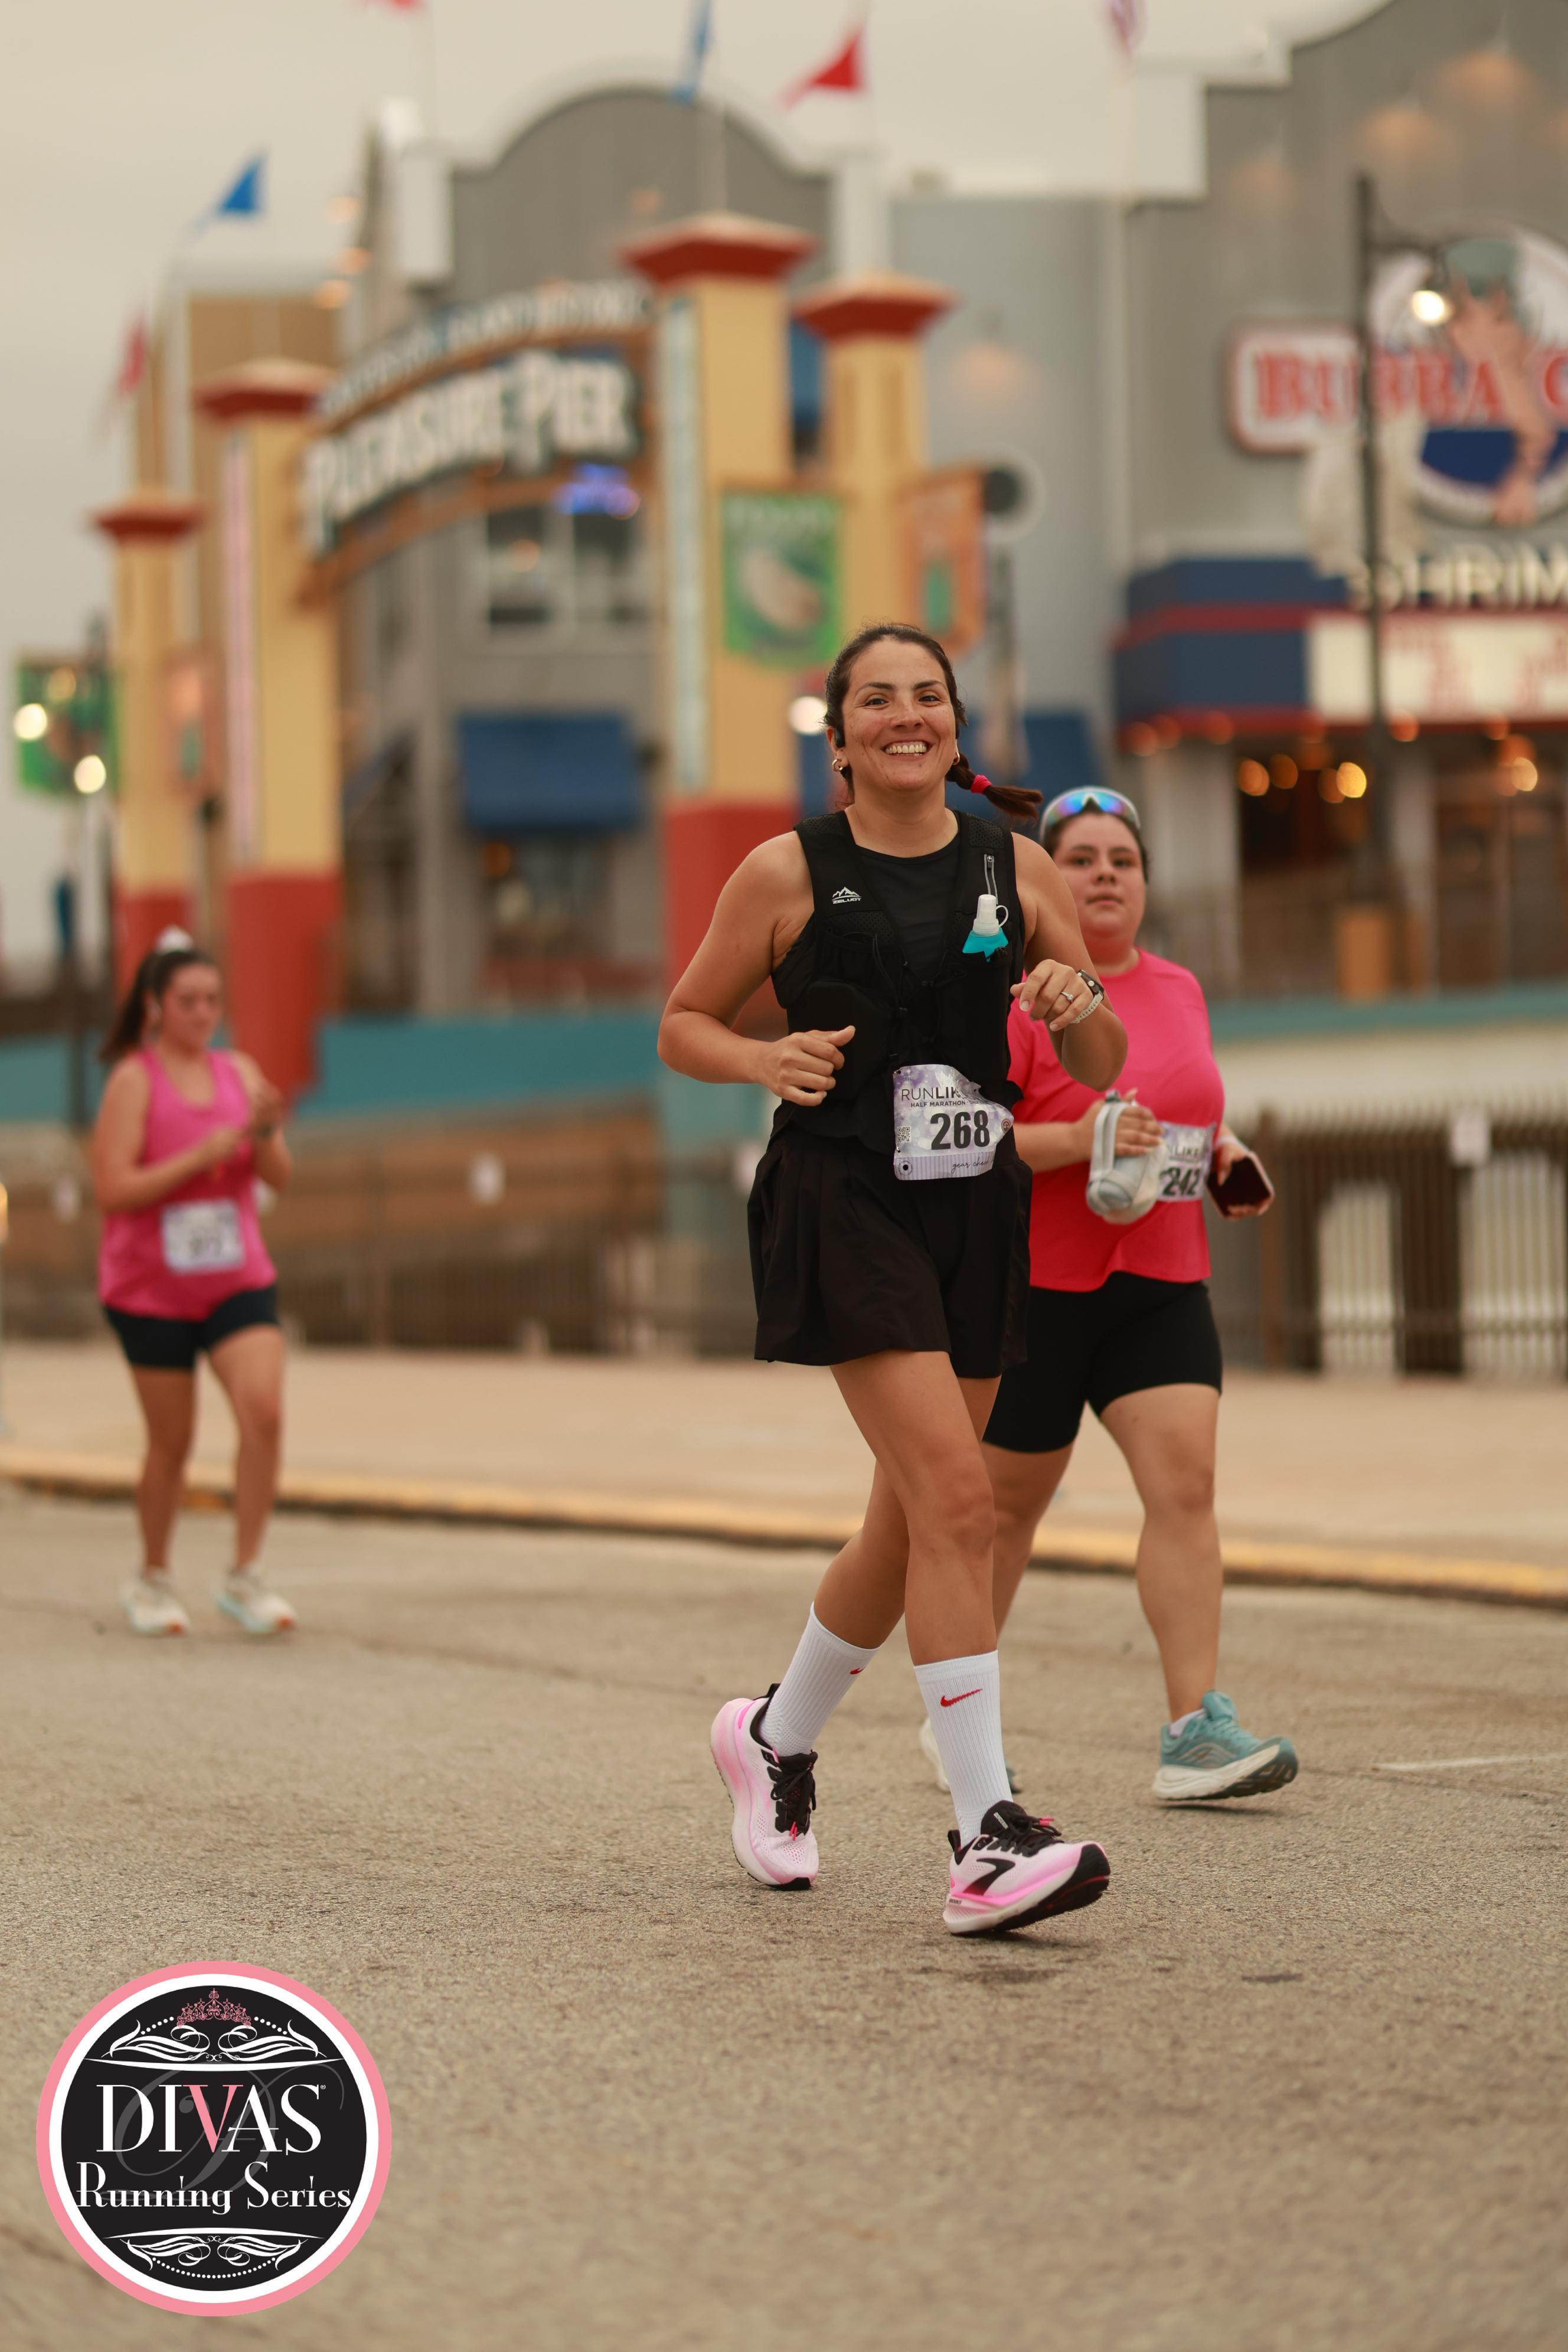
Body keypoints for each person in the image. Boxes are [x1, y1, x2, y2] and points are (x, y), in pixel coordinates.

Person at [658, 623, 1129, 1936]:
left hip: (973, 1200)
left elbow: (1100, 1058)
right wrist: (762, 1060)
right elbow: (683, 1024)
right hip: (845, 1195)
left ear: (955, 726)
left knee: (910, 1524)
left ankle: (772, 1735)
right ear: (841, 736)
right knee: (958, 1497)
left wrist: (1072, 998)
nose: (905, 715)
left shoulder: (1013, 863)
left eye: (927, 696)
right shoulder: (784, 870)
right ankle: (985, 1836)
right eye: (877, 699)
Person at [978, 789, 1298, 1803]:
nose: (1105, 873)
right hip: (1036, 1286)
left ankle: (1193, 1729)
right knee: (1003, 1512)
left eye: (1122, 858)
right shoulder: (1016, 995)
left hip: (1160, 1278)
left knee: (1185, 1489)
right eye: (1080, 858)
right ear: (1043, 881)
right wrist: (1079, 1140)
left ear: (1146, 880)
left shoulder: (1180, 988)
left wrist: (1222, 1156)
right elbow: (972, 1140)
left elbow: (1185, 1108)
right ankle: (964, 1721)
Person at [91, 932, 297, 1639]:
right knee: (172, 1441)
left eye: (212, 999)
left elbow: (278, 1176)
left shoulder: (239, 1071)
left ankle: (245, 1572)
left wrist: (264, 1132)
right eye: (188, 1001)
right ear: (155, 1006)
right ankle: (152, 1575)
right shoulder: (133, 1082)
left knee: (264, 1410)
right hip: (151, 1289)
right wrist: (194, 1158)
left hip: (236, 1277)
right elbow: (112, 1189)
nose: (204, 1012)